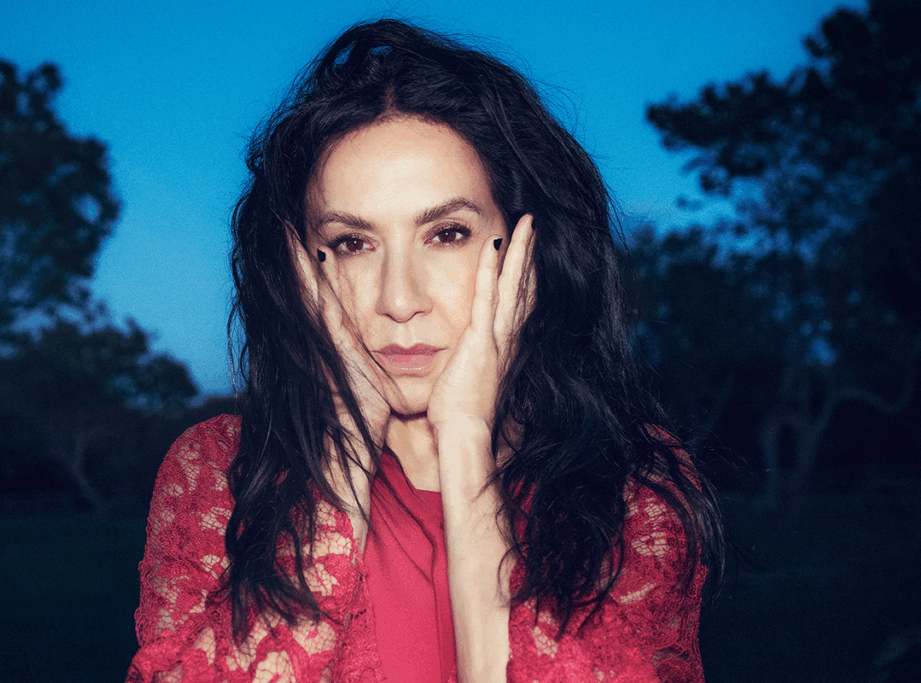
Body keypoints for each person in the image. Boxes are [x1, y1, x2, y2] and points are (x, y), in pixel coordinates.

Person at [127, 19, 724, 683]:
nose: (400, 298)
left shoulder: (629, 486)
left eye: (447, 233)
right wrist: (344, 456)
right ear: (300, 270)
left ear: (526, 250)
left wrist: (465, 437)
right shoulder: (220, 472)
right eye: (353, 243)